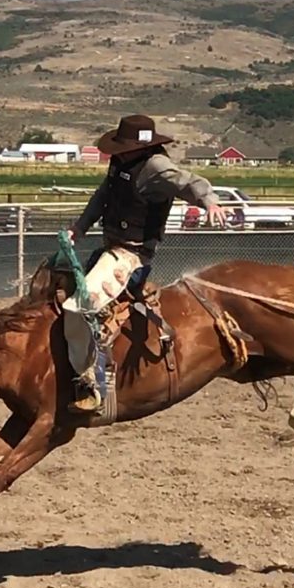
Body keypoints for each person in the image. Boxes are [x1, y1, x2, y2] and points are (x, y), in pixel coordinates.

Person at [64, 114, 227, 413]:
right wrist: (80, 226)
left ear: (135, 147)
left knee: (80, 306)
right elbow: (102, 196)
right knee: (57, 280)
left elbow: (189, 181)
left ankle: (93, 384)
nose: (118, 152)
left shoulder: (156, 167)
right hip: (111, 248)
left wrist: (209, 201)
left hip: (132, 255)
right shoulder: (121, 163)